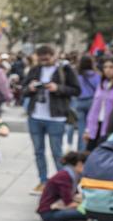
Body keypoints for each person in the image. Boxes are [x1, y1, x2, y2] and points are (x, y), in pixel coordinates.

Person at [26, 44, 81, 193]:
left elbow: (76, 90)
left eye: (47, 58)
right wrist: (30, 88)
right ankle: (43, 181)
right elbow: (23, 90)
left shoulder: (65, 70)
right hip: (35, 116)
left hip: (56, 117)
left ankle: (62, 183)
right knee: (38, 151)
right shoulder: (35, 70)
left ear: (54, 55)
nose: (44, 61)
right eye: (41, 59)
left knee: (57, 152)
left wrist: (58, 88)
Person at [37, 151, 88, 221]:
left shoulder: (71, 174)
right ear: (79, 164)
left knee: (89, 211)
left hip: (54, 209)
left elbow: (74, 195)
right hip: (49, 213)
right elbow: (69, 202)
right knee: (90, 213)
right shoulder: (65, 176)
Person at [84, 57, 113, 151]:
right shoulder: (102, 84)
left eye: (111, 67)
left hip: (110, 129)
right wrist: (88, 129)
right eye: (105, 67)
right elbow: (94, 108)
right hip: (96, 126)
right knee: (91, 155)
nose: (108, 70)